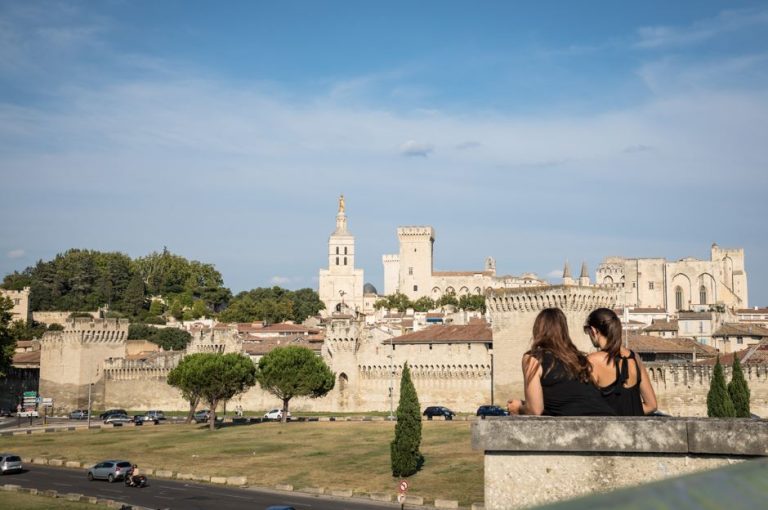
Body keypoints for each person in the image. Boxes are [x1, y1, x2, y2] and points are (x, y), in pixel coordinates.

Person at [507, 308, 616, 416]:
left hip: (583, 424)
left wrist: (519, 407)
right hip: (609, 420)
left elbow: (535, 410)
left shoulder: (533, 359)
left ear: (537, 330)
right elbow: (570, 399)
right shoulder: (579, 359)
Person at [584, 308, 657, 415]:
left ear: (594, 331)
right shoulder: (634, 358)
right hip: (636, 425)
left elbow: (585, 405)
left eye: (587, 331)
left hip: (609, 425)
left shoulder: (593, 361)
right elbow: (652, 405)